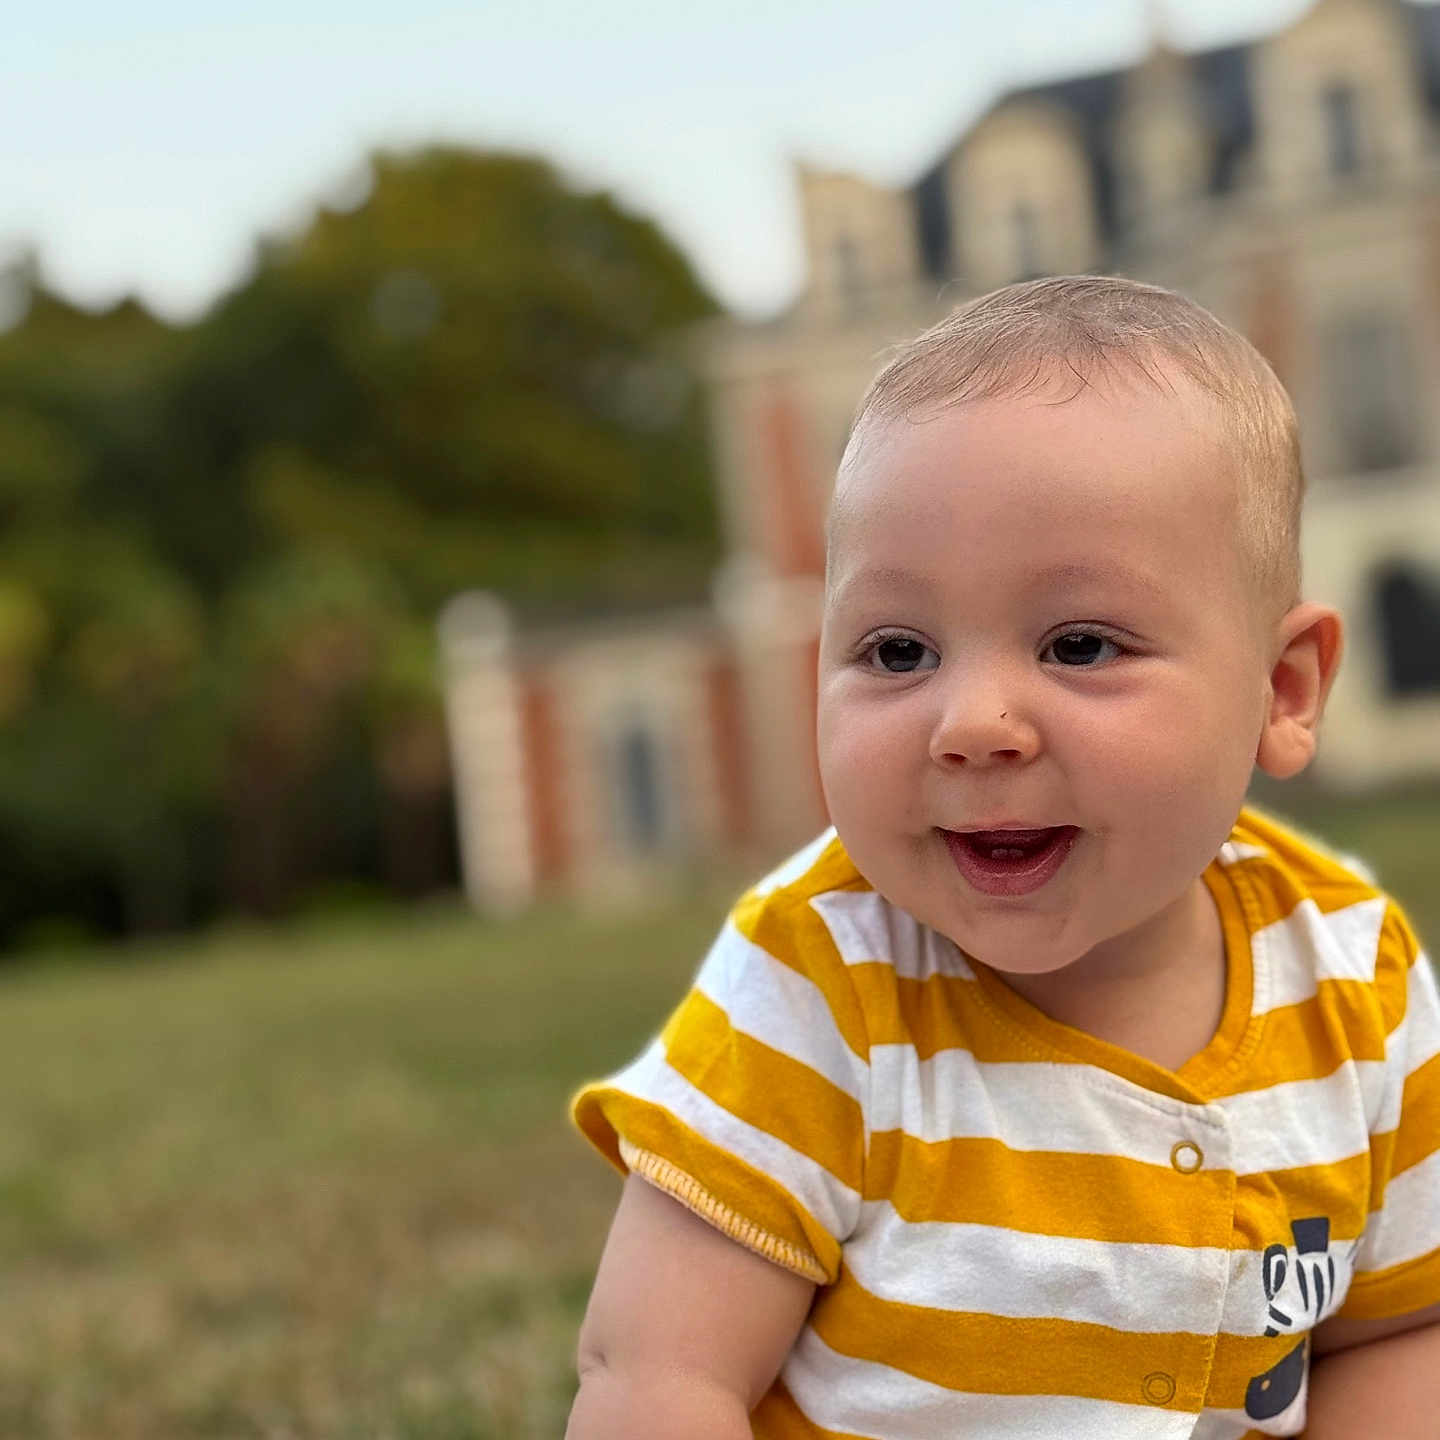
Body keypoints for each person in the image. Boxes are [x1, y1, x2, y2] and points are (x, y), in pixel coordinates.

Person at [564, 276, 1440, 1439]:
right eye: (897, 650)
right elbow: (658, 1378)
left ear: (1281, 691)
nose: (972, 721)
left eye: (1078, 644)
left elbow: (1394, 1332)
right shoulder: (818, 987)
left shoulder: (1355, 987)